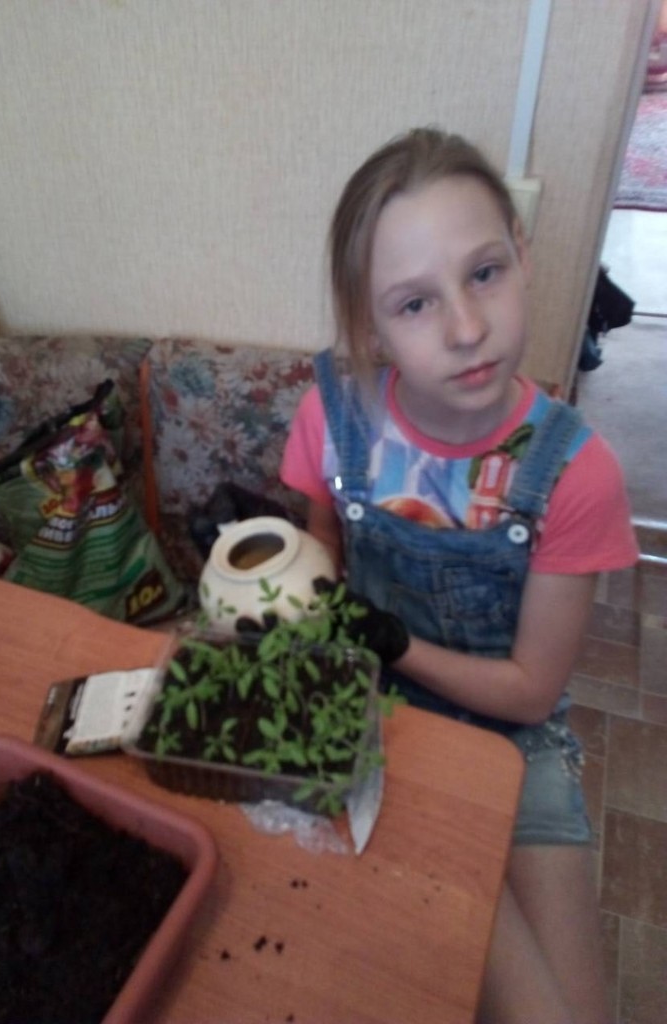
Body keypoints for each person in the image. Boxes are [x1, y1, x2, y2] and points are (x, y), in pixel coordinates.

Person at [280, 127, 639, 1024]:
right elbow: (316, 563)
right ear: (370, 325)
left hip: (512, 738)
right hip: (377, 722)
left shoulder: (576, 473)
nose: (468, 329)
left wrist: (390, 642)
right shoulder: (332, 417)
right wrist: (275, 569)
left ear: (522, 253)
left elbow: (530, 691)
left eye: (484, 273)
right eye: (414, 303)